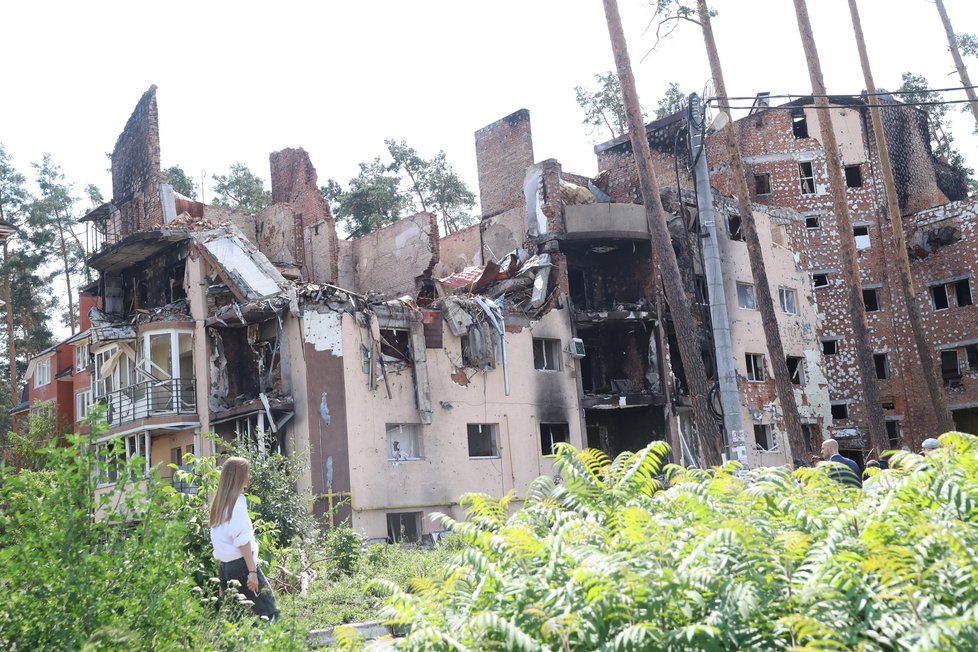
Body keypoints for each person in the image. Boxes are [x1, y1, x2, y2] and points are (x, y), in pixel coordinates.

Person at [209, 456, 279, 620]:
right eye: (248, 472)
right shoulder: (237, 506)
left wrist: (223, 578)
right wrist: (252, 572)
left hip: (227, 567)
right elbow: (243, 542)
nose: (250, 476)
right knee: (269, 610)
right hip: (242, 566)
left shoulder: (219, 506)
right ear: (239, 476)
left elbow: (220, 544)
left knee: (234, 619)